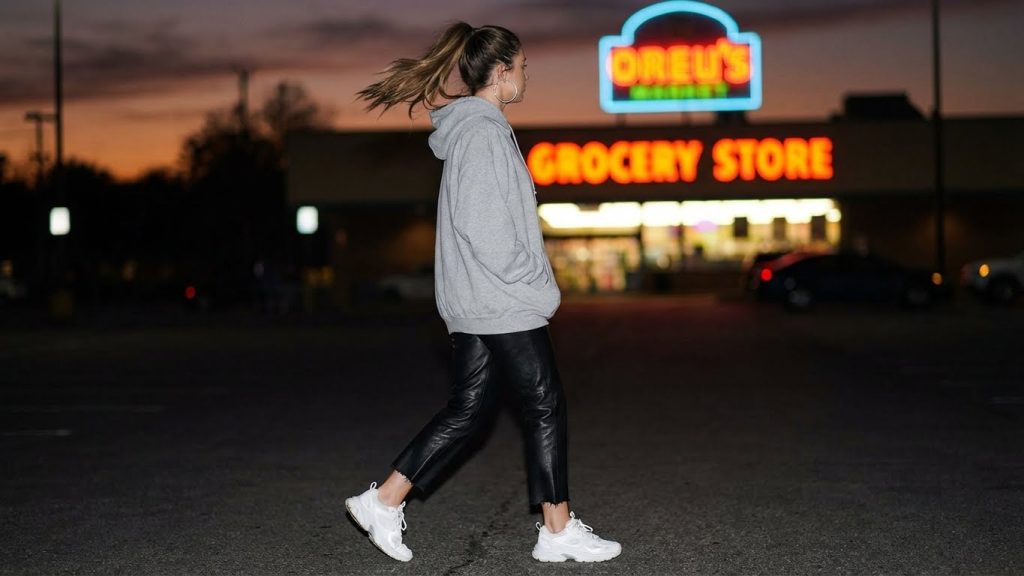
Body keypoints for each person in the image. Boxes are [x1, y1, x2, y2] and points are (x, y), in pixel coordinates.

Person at [345, 22, 622, 564]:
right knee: (544, 404)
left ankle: (383, 500)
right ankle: (557, 529)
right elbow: (484, 226)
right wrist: (535, 280)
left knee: (469, 411)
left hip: (479, 302)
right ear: (500, 72)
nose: (526, 76)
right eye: (521, 67)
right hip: (500, 301)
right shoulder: (483, 132)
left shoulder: (479, 130)